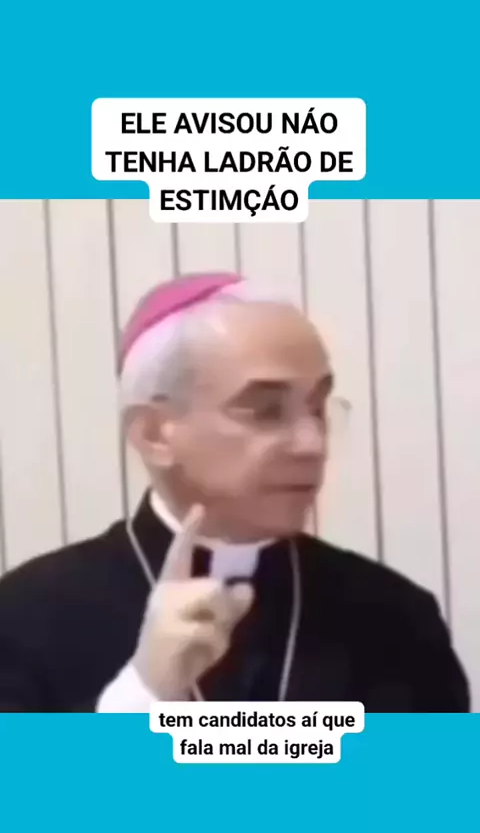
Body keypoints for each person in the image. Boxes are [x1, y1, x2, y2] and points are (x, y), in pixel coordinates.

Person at [0, 272, 470, 712]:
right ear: (155, 435)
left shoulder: (395, 617)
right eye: (265, 410)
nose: (313, 443)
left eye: (317, 407)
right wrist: (143, 693)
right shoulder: (26, 616)